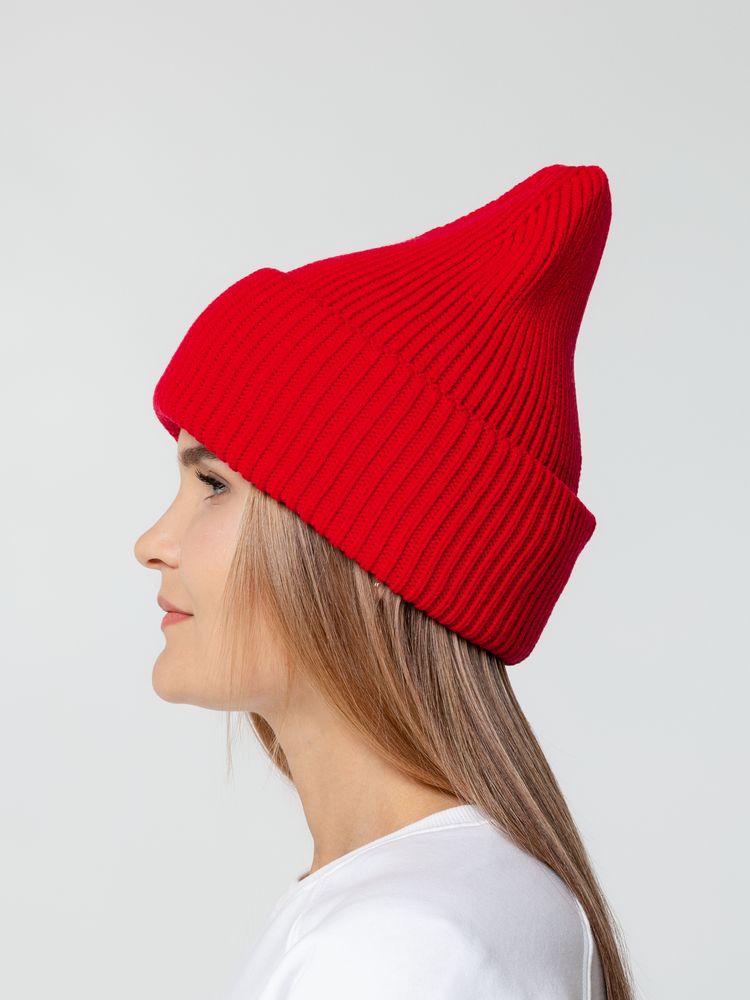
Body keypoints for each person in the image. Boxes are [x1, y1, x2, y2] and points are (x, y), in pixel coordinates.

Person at [134, 162, 635, 999]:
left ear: (376, 553)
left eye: (214, 484)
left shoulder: (399, 950)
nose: (152, 543)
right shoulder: (435, 909)